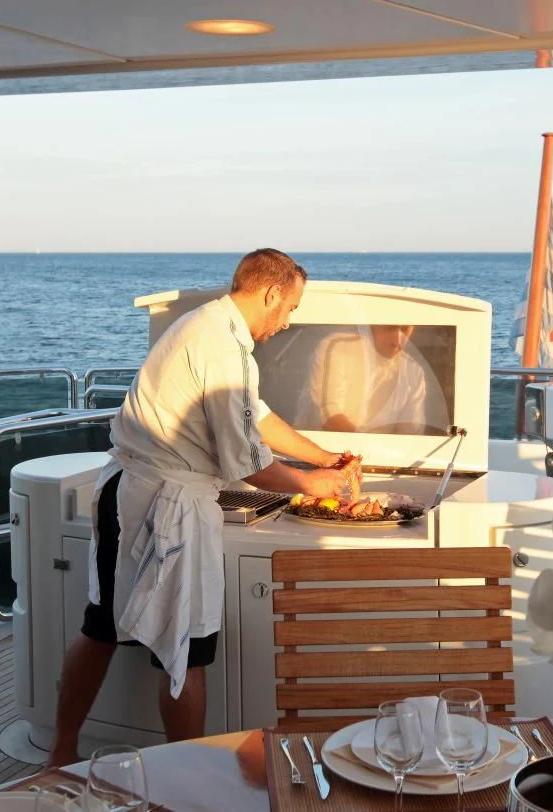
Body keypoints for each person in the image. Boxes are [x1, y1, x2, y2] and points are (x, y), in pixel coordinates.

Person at [47, 249, 354, 766]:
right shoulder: (222, 346)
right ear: (271, 292)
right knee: (185, 647)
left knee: (100, 629)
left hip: (134, 492)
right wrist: (309, 485)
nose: (287, 320)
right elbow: (244, 459)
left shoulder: (212, 330)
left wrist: (327, 458)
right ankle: (186, 775)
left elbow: (257, 419)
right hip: (155, 502)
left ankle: (61, 751)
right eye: (291, 307)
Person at [295, 324, 446, 434]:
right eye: (390, 328)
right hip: (317, 454)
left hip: (378, 461)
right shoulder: (337, 347)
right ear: (373, 326)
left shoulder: (414, 371)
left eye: (405, 329)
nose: (398, 338)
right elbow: (329, 414)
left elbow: (411, 431)